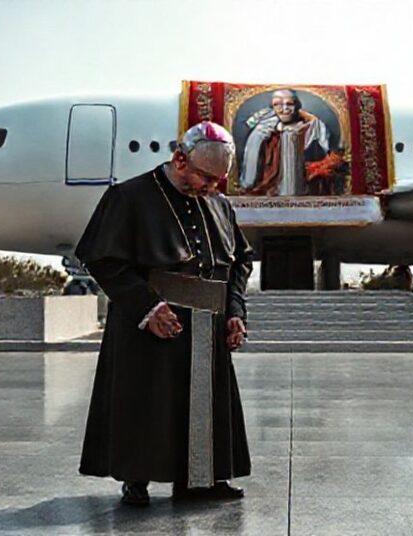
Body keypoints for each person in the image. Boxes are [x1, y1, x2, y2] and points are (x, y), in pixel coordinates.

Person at [76, 121, 253, 507]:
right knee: (147, 401)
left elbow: (239, 262)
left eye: (219, 180)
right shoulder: (129, 197)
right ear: (179, 159)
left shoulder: (220, 204)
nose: (211, 188)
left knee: (205, 405)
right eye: (206, 178)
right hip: (151, 318)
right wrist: (147, 306)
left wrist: (235, 310)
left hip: (209, 321)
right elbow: (103, 259)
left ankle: (204, 479)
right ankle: (136, 479)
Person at [239, 88, 332, 196]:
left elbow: (322, 153)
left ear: (297, 106)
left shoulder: (310, 128)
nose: (284, 109)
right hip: (272, 188)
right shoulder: (263, 130)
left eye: (290, 104)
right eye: (277, 105)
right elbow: (253, 158)